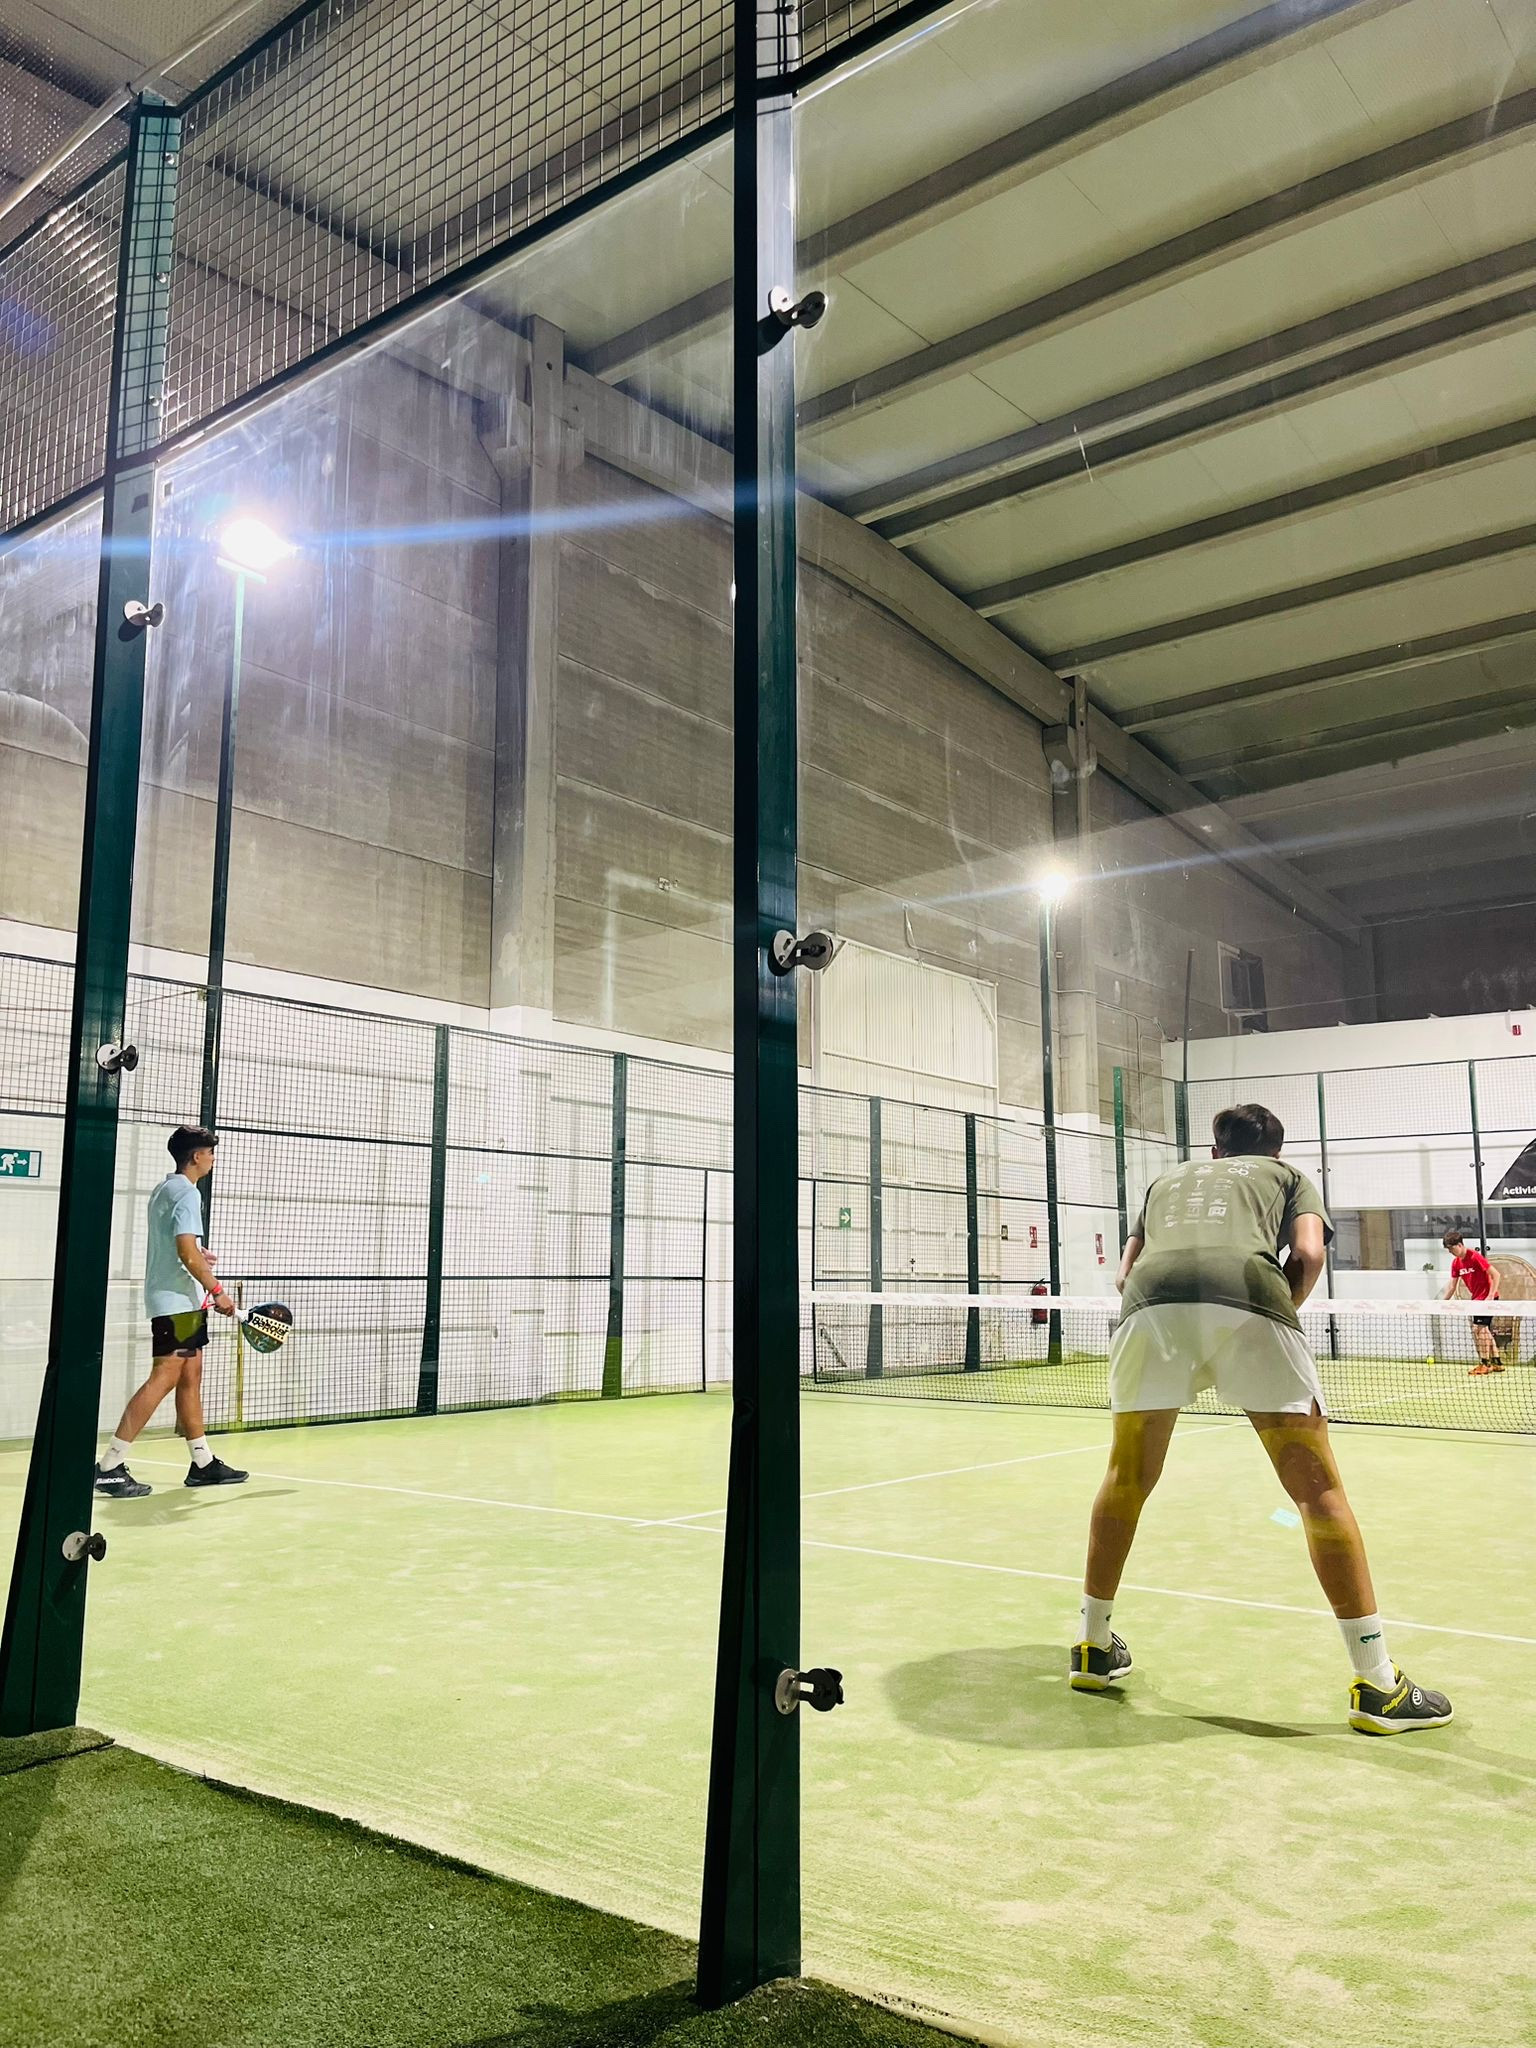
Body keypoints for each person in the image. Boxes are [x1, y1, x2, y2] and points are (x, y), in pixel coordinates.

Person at [1070, 1103, 1451, 1736]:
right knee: (1317, 1493)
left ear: (1214, 1151)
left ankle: (1091, 1646)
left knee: (1125, 1477)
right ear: (1276, 1151)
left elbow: (1125, 1272)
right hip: (1250, 1300)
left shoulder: (1167, 1180)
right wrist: (1279, 1310)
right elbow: (1309, 1252)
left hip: (1148, 1308)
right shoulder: (1289, 1176)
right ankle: (1378, 1685)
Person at [94, 1125, 249, 1498]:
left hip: (181, 1303)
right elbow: (184, 1249)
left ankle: (203, 1464)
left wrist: (199, 1254)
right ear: (196, 1156)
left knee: (190, 1376)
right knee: (164, 1377)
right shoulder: (187, 1193)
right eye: (210, 1153)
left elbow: (180, 1247)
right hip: (176, 1306)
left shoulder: (164, 1189)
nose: (213, 1159)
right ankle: (109, 1466)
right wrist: (217, 1290)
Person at [1440, 1228, 1503, 1375]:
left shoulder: (1475, 1257)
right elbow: (1452, 1286)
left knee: (1479, 1329)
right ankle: (1497, 1362)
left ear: (1460, 1245)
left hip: (1487, 1299)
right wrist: (1442, 1303)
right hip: (1476, 1300)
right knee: (1482, 1329)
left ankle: (1485, 1364)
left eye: (1451, 1248)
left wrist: (1490, 1296)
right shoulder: (1456, 1263)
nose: (1450, 1252)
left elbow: (1496, 1275)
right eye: (1448, 1249)